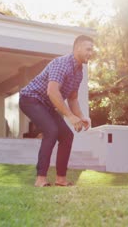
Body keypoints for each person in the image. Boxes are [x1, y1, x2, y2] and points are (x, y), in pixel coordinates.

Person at [19, 35, 94, 187]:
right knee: (51, 131)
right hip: (30, 99)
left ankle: (61, 179)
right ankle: (40, 179)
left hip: (46, 104)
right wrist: (70, 116)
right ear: (77, 48)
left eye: (92, 50)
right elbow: (52, 92)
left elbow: (72, 98)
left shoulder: (79, 71)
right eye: (88, 49)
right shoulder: (62, 63)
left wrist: (81, 117)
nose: (91, 53)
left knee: (66, 136)